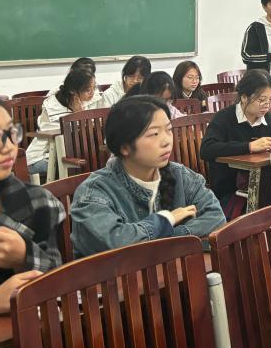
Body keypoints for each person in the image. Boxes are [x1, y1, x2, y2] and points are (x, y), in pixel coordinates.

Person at [70, 96, 224, 257]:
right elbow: (116, 242)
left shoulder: (180, 175)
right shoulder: (94, 192)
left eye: (169, 130)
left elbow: (216, 216)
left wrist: (167, 236)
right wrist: (166, 219)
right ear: (125, 147)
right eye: (154, 134)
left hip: (173, 270)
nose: (166, 141)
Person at [0, 90, 64, 313]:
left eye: (11, 133)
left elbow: (60, 287)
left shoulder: (38, 203)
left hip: (24, 333)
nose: (9, 146)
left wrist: (25, 256)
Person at [200, 70, 271, 219]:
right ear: (244, 97)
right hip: (230, 190)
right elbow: (206, 149)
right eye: (261, 100)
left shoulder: (269, 119)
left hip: (263, 187)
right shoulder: (224, 118)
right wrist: (249, 147)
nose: (267, 105)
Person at [25, 67, 98, 177]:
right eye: (88, 90)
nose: (93, 93)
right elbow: (66, 140)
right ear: (73, 90)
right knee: (83, 166)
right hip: (38, 159)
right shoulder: (54, 108)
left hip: (60, 155)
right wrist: (78, 115)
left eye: (94, 88)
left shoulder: (79, 103)